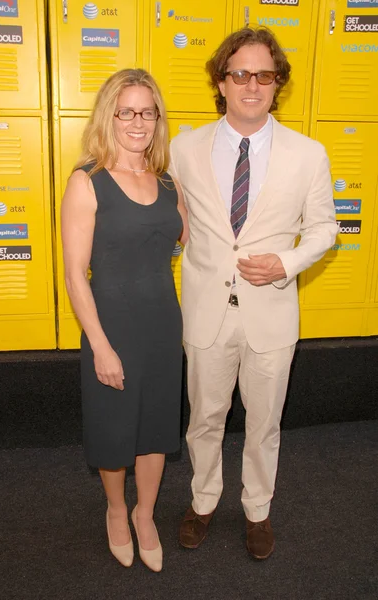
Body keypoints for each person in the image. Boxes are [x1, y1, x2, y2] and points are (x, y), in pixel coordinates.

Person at [169, 27, 338, 559]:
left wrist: (285, 262)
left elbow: (325, 229)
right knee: (204, 419)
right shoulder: (184, 146)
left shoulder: (308, 154)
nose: (252, 85)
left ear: (277, 84)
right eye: (240, 73)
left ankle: (258, 510)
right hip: (205, 313)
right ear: (221, 82)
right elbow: (171, 215)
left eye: (264, 75)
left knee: (265, 424)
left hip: (271, 314)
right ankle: (202, 500)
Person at [61, 68, 188, 572]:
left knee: (157, 428)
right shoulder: (86, 181)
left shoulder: (167, 180)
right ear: (109, 116)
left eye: (148, 112)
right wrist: (101, 346)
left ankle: (145, 513)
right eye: (127, 111)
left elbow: (188, 242)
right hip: (111, 326)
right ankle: (116, 510)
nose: (138, 122)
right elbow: (74, 274)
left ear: (158, 118)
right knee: (115, 431)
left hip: (163, 325)